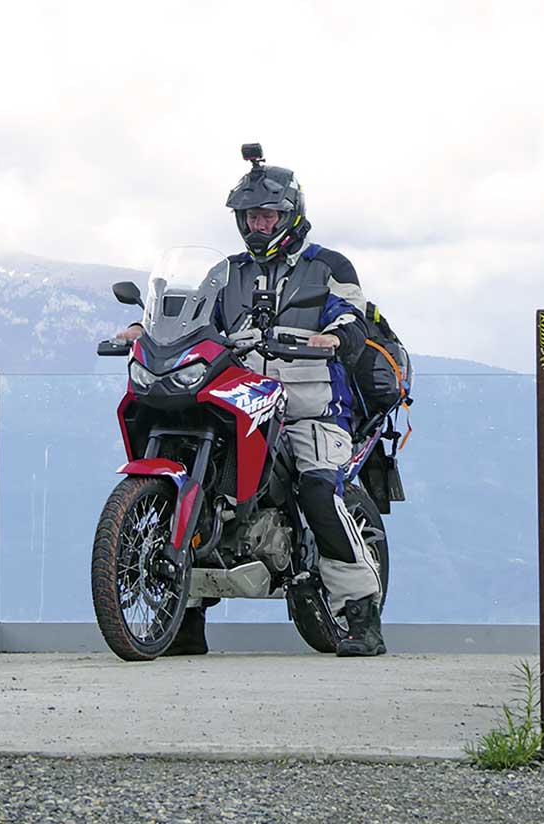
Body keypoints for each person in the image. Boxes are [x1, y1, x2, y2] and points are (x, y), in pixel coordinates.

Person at [117, 145, 385, 657]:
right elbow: (195, 319)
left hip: (312, 407)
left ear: (291, 214)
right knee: (201, 477)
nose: (258, 225)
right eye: (250, 216)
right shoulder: (227, 273)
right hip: (243, 399)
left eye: (268, 215)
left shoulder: (327, 266)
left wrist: (336, 336)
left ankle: (361, 611)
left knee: (317, 488)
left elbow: (355, 315)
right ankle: (182, 620)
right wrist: (145, 329)